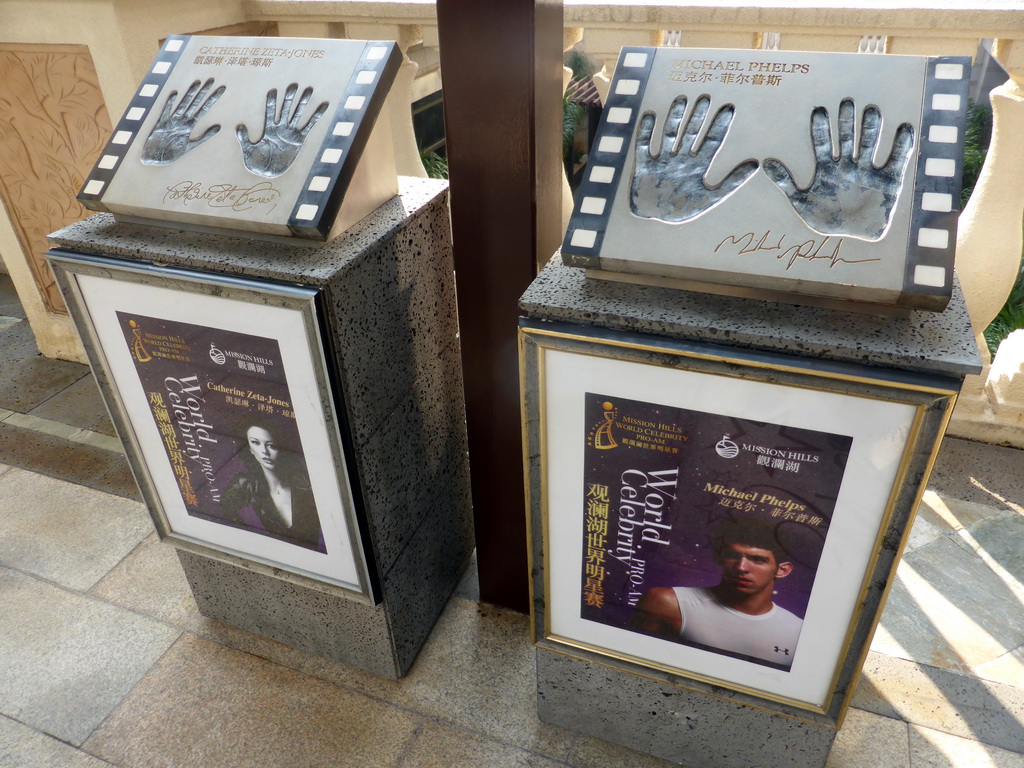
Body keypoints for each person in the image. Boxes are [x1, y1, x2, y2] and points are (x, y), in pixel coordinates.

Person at [630, 518, 802, 668]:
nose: (741, 568)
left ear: (782, 570)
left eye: (757, 560)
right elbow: (634, 666)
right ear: (718, 557)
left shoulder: (797, 632)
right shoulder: (667, 603)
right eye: (733, 555)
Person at [221, 417, 323, 551]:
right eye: (255, 443)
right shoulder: (246, 484)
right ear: (250, 449)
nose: (264, 451)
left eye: (271, 445)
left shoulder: (306, 483)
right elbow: (224, 507)